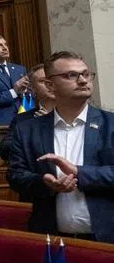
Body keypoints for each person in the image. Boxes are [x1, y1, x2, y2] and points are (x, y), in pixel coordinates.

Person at [8, 52, 114, 242]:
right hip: (52, 240)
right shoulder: (27, 129)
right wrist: (45, 182)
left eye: (86, 74)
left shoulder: (111, 124)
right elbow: (15, 175)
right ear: (50, 85)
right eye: (71, 75)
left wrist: (79, 173)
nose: (82, 80)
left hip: (106, 240)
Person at [2, 63, 55, 163]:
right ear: (32, 89)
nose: (50, 84)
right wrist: (34, 130)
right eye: (43, 81)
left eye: (52, 80)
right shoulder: (22, 119)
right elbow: (5, 150)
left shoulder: (77, 114)